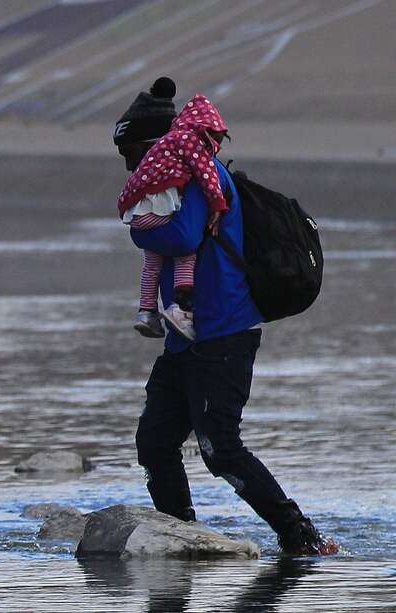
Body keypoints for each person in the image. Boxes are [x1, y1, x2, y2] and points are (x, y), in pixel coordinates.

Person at [113, 78, 338, 555]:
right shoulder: (170, 178)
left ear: (154, 143)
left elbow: (179, 238)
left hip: (224, 334)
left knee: (221, 448)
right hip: (184, 338)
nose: (130, 165)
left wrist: (138, 231)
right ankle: (182, 535)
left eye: (132, 151)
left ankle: (301, 535)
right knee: (154, 443)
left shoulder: (198, 173)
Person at [117, 77, 230, 341]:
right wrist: (217, 205)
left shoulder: (168, 148)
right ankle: (181, 308)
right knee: (185, 254)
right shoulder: (190, 146)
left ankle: (147, 312)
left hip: (138, 214)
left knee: (152, 261)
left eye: (129, 153)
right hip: (212, 332)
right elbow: (186, 237)